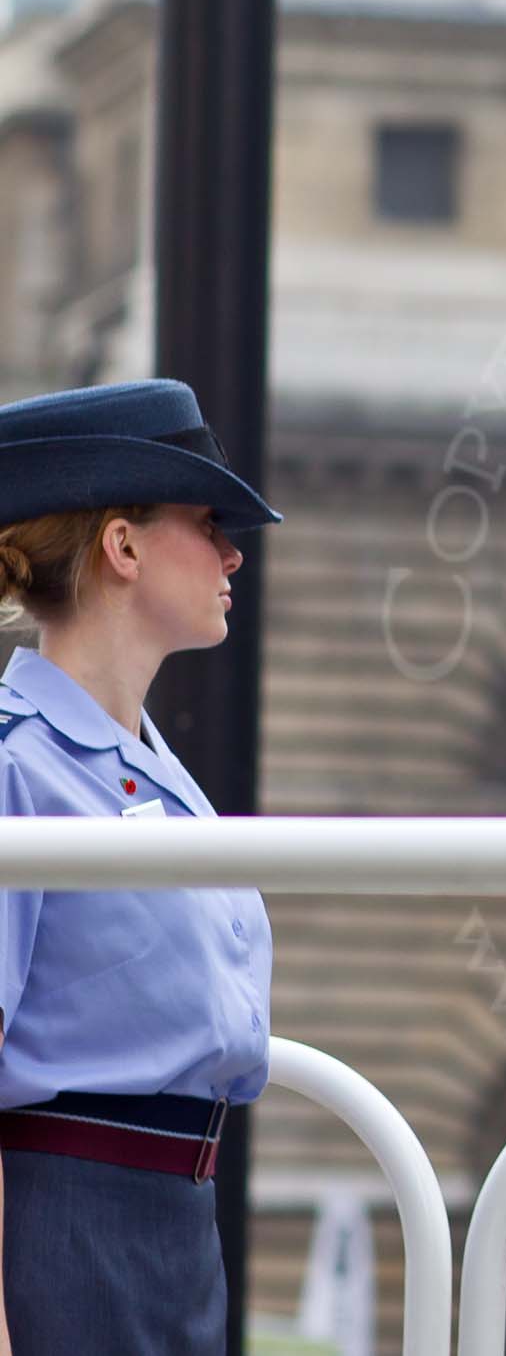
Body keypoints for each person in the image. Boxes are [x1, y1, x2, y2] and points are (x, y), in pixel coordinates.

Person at [0, 379, 281, 1353]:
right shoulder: (15, 764)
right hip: (65, 1222)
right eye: (208, 522)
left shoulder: (158, 776)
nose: (234, 551)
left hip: (174, 1229)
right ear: (122, 546)